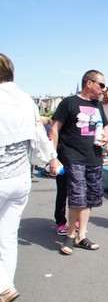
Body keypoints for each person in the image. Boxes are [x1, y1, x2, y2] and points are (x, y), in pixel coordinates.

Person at [48, 70, 108, 255]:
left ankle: (81, 236)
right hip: (73, 157)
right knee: (77, 197)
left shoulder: (98, 105)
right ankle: (69, 235)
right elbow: (54, 129)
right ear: (89, 83)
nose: (103, 90)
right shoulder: (69, 102)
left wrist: (106, 136)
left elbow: (105, 128)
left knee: (89, 198)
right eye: (101, 85)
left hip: (94, 158)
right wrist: (53, 157)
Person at [0, 53, 37, 302]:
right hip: (20, 176)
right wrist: (51, 160)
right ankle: (5, 286)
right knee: (8, 235)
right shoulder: (25, 99)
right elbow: (40, 138)